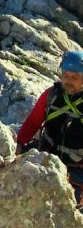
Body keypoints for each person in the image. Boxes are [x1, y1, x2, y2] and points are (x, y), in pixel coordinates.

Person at [15, 50, 83, 209]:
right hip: (44, 157)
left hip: (75, 170)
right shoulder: (51, 95)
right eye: (66, 75)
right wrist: (19, 144)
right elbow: (33, 122)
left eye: (74, 77)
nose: (68, 81)